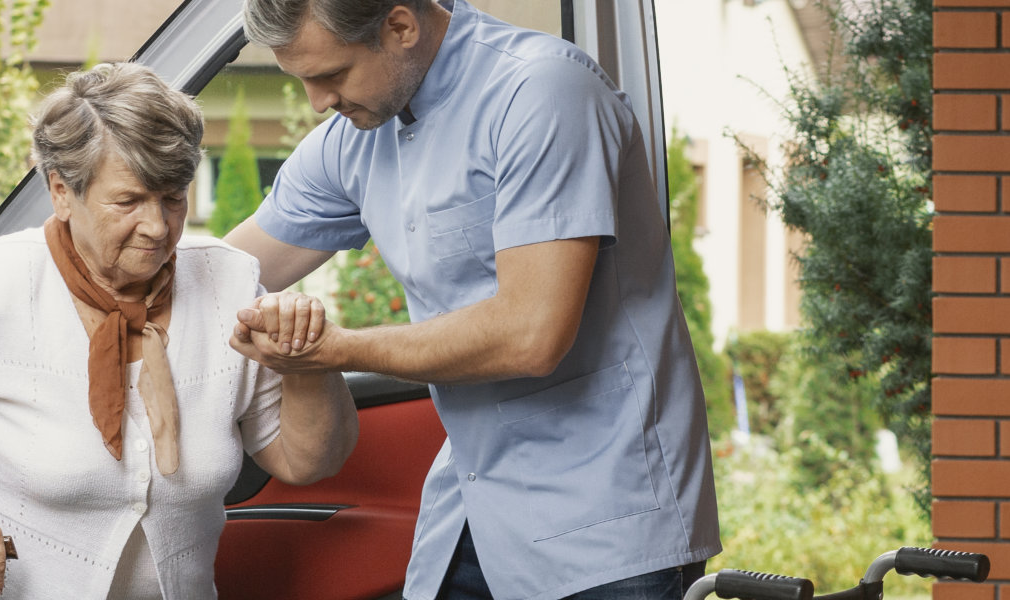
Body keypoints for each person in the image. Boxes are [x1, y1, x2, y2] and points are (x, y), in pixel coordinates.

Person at [222, 1, 721, 599]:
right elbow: (225, 274)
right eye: (301, 80)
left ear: (400, 27)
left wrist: (337, 350)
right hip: (470, 506)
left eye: (331, 75)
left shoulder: (541, 92)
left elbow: (531, 333)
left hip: (603, 520)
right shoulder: (355, 138)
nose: (317, 101)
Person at [0, 62, 358, 599]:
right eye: (128, 201)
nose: (156, 226)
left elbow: (306, 461)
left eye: (173, 197)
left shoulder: (230, 284)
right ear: (61, 191)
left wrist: (306, 362)